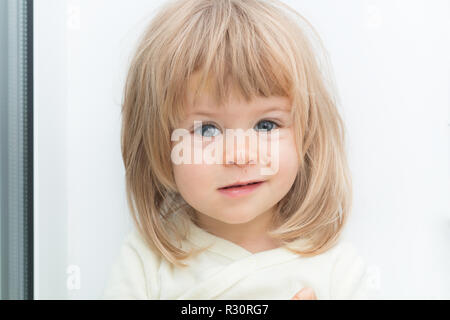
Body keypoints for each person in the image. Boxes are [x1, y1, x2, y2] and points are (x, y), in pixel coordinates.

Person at [103, 0, 380, 299]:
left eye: (265, 125)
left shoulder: (336, 270)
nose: (240, 155)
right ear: (158, 142)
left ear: (307, 134)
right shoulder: (146, 263)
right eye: (207, 130)